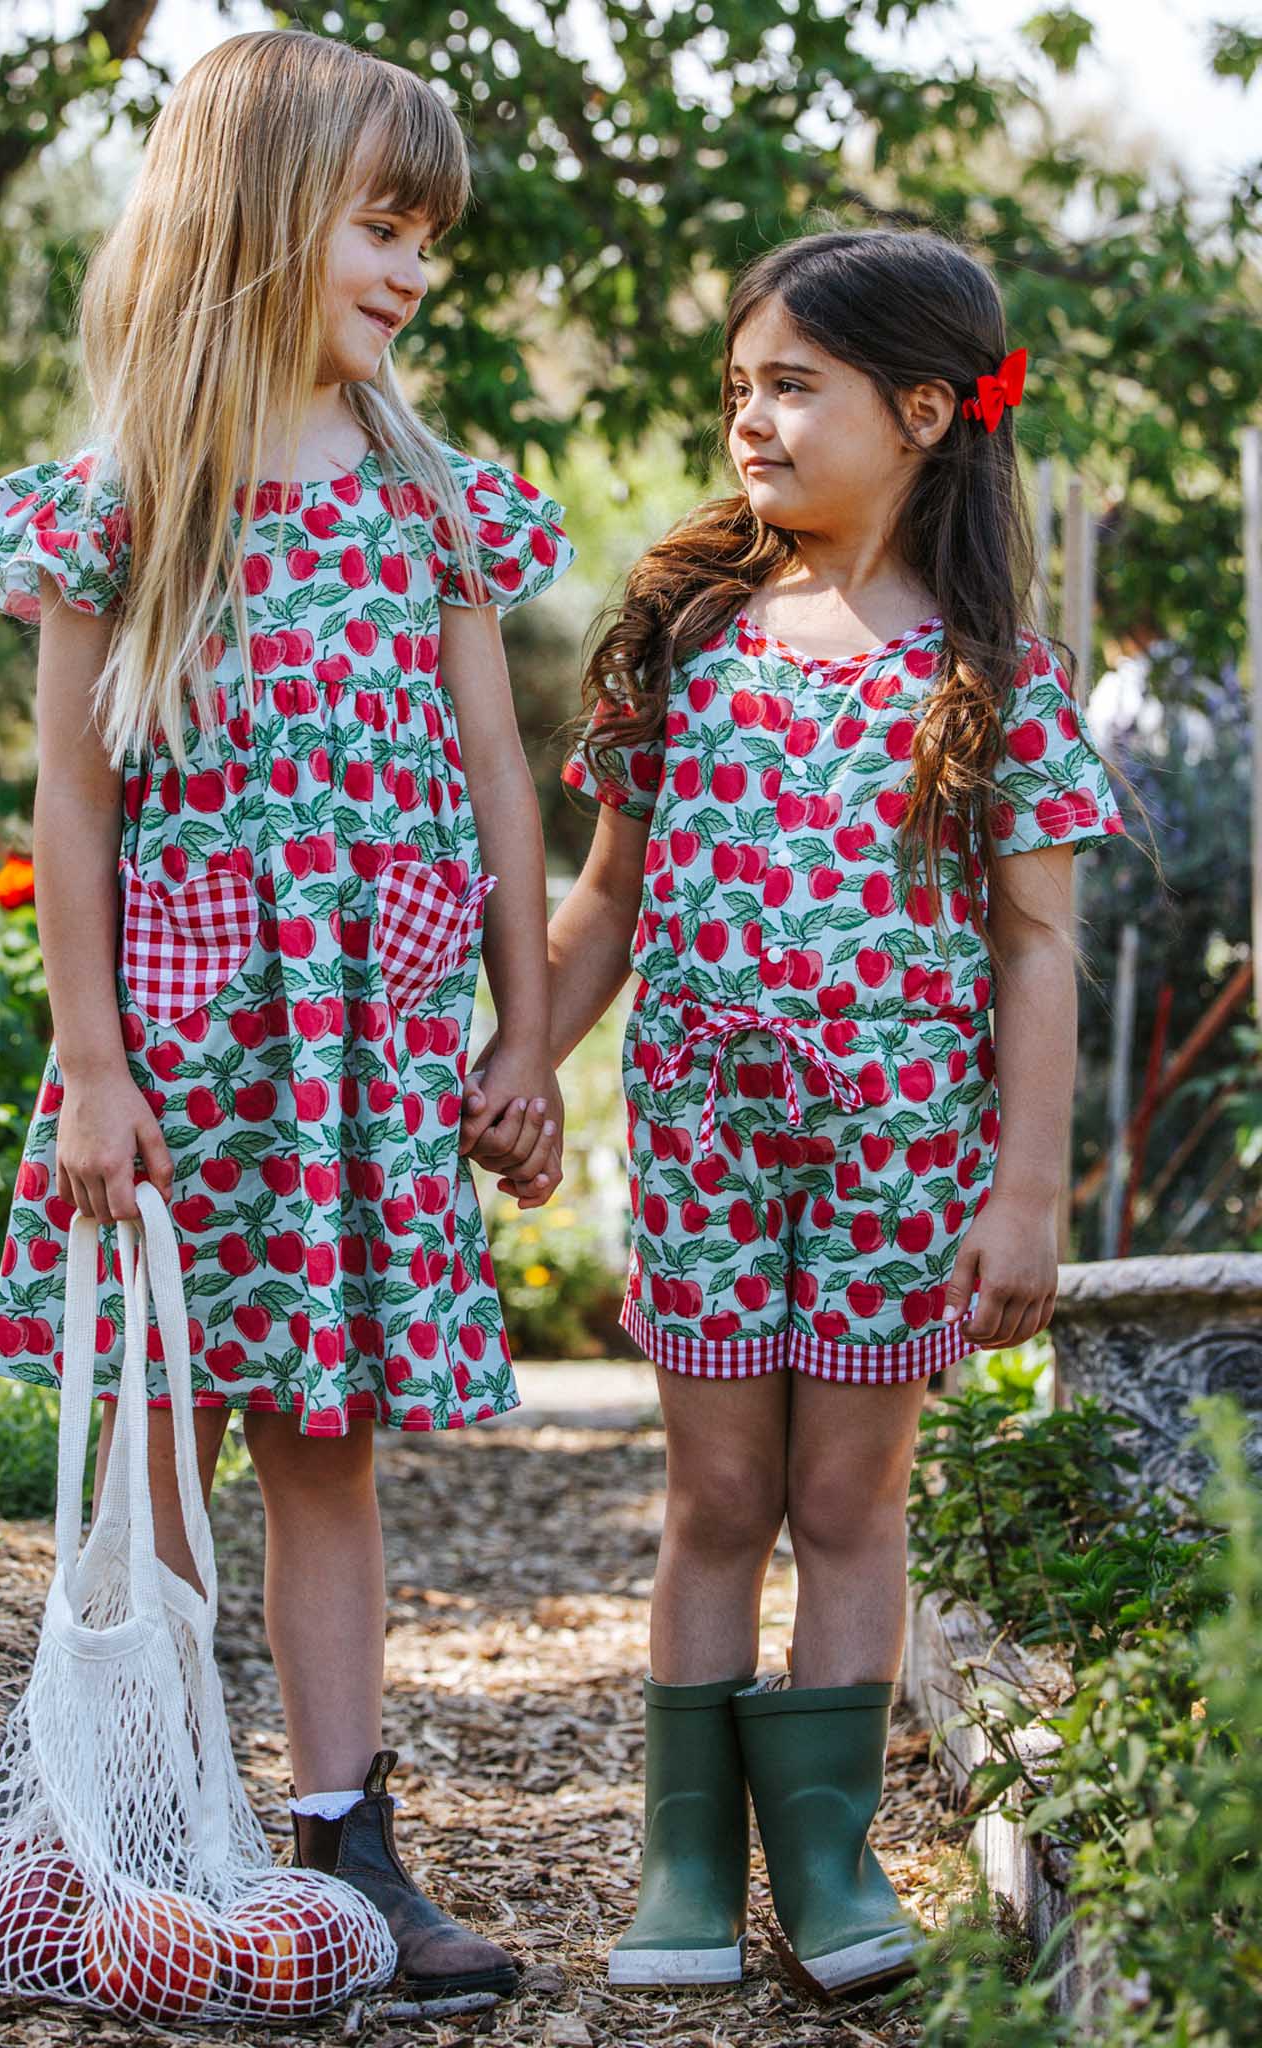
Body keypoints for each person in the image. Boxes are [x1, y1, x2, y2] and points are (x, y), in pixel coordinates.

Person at [0, 28, 569, 2001]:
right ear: (259, 217)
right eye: (379, 228)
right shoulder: (129, 497)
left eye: (425, 240)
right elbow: (73, 798)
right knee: (151, 1450)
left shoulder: (435, 500)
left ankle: (342, 1842)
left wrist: (528, 1031)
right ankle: (129, 1843)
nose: (409, 271)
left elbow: (499, 786)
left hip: (368, 1061)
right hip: (183, 1047)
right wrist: (100, 1076)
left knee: (330, 1444)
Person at [466, 227, 1125, 1998]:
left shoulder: (998, 683)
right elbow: (603, 898)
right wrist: (528, 1047)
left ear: (923, 411)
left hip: (903, 1163)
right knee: (714, 1498)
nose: (749, 420)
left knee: (848, 1504)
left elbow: (1040, 952)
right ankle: (686, 1855)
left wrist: (1030, 1192)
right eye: (738, 388)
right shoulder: (683, 635)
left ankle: (825, 1865)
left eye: (791, 387)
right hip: (703, 1141)